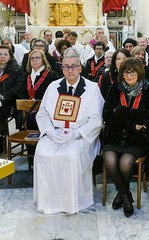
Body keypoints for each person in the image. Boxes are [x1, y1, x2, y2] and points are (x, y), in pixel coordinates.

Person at [33, 48, 104, 214]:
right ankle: (48, 201)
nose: (70, 70)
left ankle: (72, 202)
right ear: (61, 68)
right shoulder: (53, 87)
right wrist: (50, 131)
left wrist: (77, 133)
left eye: (74, 66)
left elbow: (96, 119)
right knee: (42, 154)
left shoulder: (92, 89)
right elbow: (43, 114)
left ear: (80, 68)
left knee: (71, 157)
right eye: (66, 67)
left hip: (80, 136)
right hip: (55, 134)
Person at [103, 57, 149, 217]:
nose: (129, 76)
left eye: (133, 73)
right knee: (109, 160)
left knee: (125, 163)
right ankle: (126, 196)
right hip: (114, 135)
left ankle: (121, 194)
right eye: (126, 72)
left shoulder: (148, 89)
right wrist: (133, 122)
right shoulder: (115, 88)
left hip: (137, 139)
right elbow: (107, 115)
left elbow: (146, 116)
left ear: (139, 73)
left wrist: (120, 111)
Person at [0, 45, 24, 153]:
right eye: (0, 54)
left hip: (9, 102)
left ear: (10, 56)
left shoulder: (17, 69)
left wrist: (3, 97)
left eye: (5, 54)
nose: (2, 57)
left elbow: (18, 88)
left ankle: (1, 142)